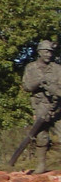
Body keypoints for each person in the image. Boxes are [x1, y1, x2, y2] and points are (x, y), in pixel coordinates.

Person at [20, 40, 61, 173]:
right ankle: (41, 165)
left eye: (51, 52)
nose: (49, 54)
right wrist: (39, 82)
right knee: (41, 136)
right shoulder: (31, 68)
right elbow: (26, 86)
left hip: (57, 107)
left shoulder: (57, 68)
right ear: (39, 52)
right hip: (40, 105)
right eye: (46, 51)